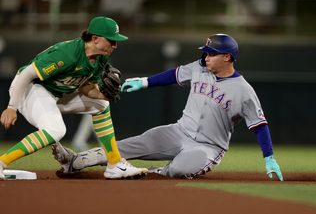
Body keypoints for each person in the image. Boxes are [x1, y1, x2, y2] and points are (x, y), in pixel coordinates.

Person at [52, 33, 283, 180]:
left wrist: (269, 157)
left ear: (228, 58)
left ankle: (153, 174)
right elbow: (174, 75)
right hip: (178, 131)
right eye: (205, 53)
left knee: (181, 170)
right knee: (125, 146)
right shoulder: (200, 68)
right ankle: (74, 161)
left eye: (211, 54)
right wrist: (144, 82)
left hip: (208, 147)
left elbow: (259, 125)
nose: (206, 58)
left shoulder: (244, 91)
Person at [0, 16, 148, 180]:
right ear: (95, 39)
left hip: (56, 92)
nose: (115, 45)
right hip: (29, 87)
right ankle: (1, 162)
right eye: (111, 40)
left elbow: (86, 88)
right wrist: (12, 107)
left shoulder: (101, 58)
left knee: (101, 104)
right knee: (55, 130)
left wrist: (102, 94)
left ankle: (115, 164)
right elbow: (27, 74)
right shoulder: (67, 54)